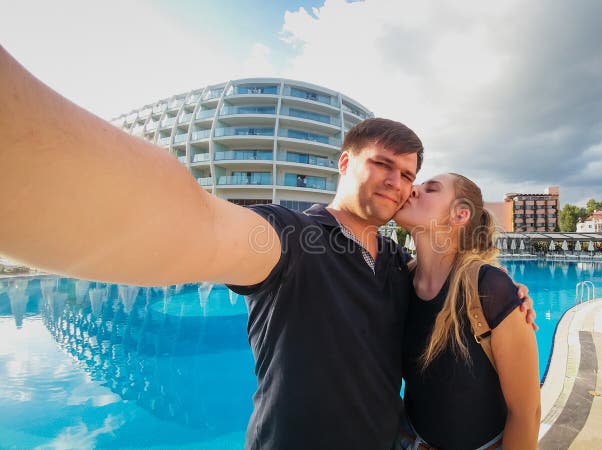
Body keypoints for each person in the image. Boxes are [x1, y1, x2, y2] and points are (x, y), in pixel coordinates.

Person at [0, 46, 534, 449]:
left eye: (409, 175)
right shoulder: (290, 238)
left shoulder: (400, 264)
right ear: (344, 163)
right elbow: (196, 225)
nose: (398, 182)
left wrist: (509, 298)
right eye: (382, 165)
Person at [394, 173, 540, 450]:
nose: (411, 190)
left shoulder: (489, 289)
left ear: (460, 214)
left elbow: (526, 414)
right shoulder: (398, 282)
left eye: (431, 189)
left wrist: (507, 293)